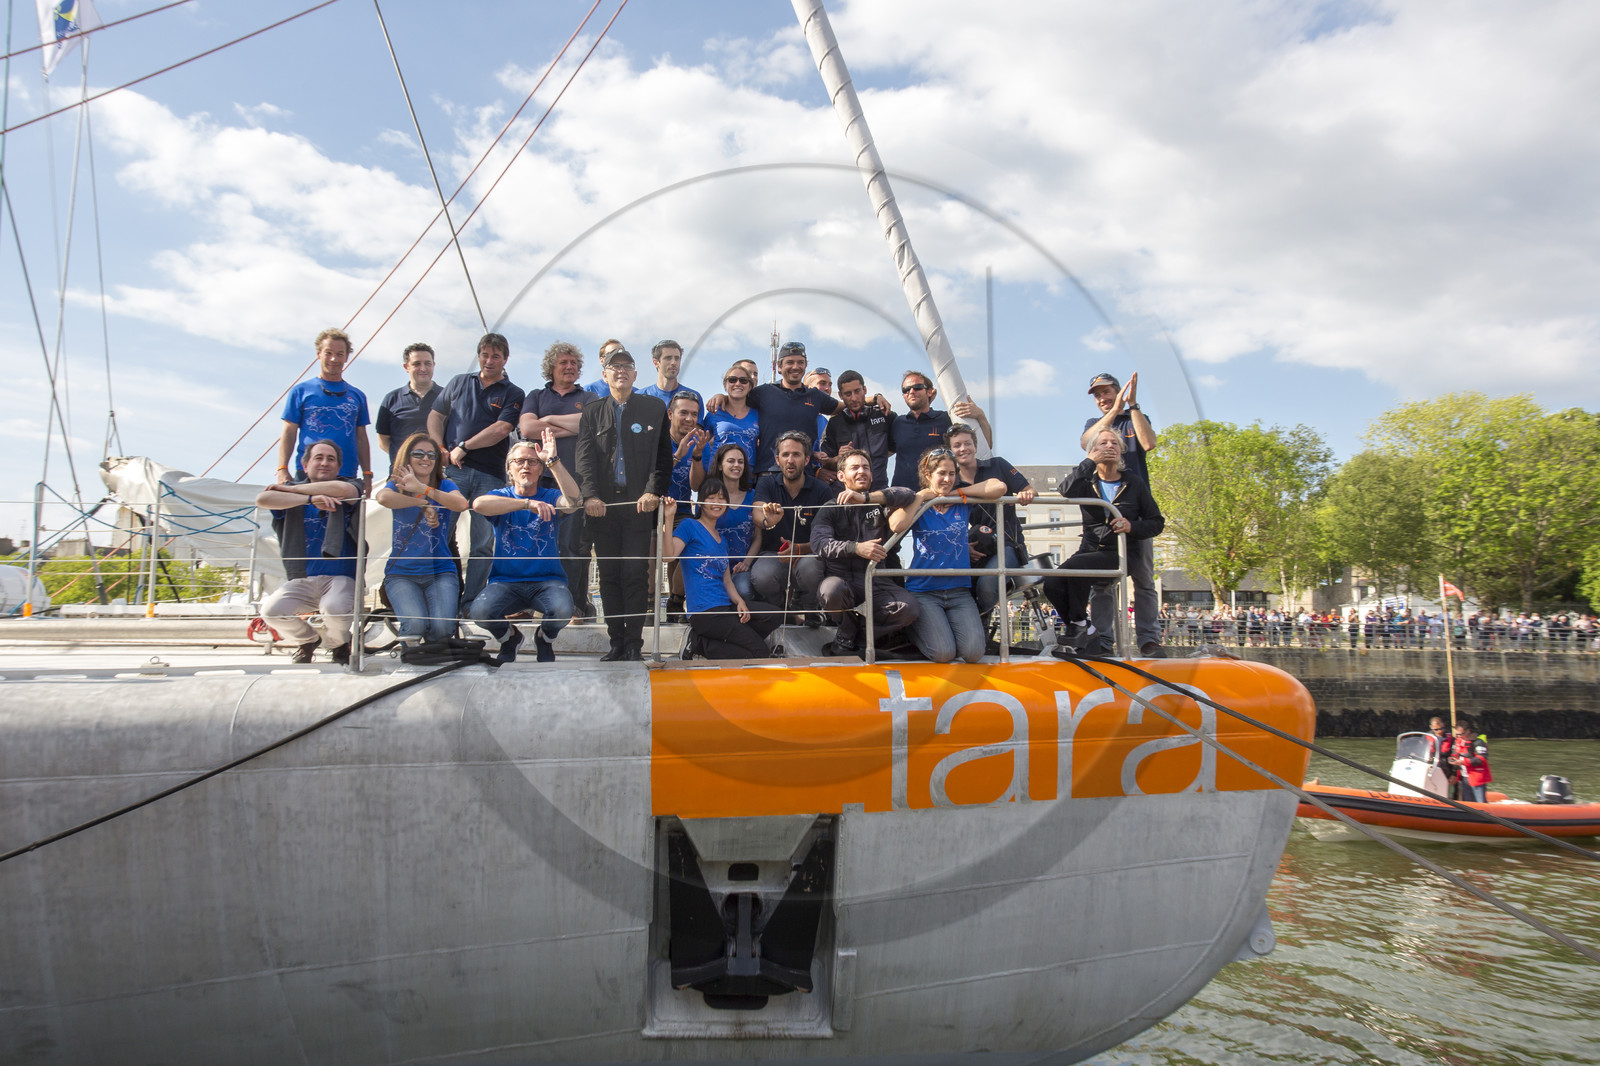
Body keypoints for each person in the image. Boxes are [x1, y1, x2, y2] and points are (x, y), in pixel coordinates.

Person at [574, 347, 672, 661]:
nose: (621, 372)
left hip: (638, 506)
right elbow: (585, 459)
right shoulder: (592, 411)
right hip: (602, 507)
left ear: (635, 374)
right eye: (614, 367)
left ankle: (634, 644)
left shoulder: (654, 408)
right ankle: (616, 642)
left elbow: (662, 458)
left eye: (627, 366)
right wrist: (589, 496)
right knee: (609, 574)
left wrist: (652, 491)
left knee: (634, 573)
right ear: (605, 375)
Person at [1043, 429, 1165, 658]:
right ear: (1092, 451)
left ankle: (1083, 628)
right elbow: (1064, 490)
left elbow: (1157, 522)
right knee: (1052, 582)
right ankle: (1082, 625)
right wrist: (1090, 461)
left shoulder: (1134, 483)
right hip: (1089, 550)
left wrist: (1132, 526)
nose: (1109, 446)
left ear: (1121, 452)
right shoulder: (1086, 481)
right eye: (1102, 444)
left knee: (1078, 568)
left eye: (1114, 444)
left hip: (1121, 553)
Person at [466, 432, 583, 663]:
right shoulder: (501, 496)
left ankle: (544, 638)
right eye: (519, 461)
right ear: (509, 469)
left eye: (533, 462)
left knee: (563, 609)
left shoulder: (550, 496)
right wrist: (527, 504)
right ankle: (510, 638)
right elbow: (479, 504)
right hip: (505, 582)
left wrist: (554, 462)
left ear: (541, 469)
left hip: (547, 582)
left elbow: (574, 502)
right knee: (479, 612)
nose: (526, 466)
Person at [427, 332, 526, 605]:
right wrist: (440, 449)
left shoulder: (513, 393)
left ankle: (470, 602)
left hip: (490, 475)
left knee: (482, 543)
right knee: (441, 535)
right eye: (485, 355)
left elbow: (502, 429)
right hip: (452, 473)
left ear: (505, 359)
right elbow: (436, 415)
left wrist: (464, 446)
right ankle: (443, 597)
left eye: (496, 356)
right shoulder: (459, 382)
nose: (489, 360)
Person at [888, 448, 1009, 663]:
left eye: (952, 474)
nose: (947, 479)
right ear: (928, 475)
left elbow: (999, 487)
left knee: (973, 653)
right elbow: (896, 525)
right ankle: (912, 630)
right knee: (944, 654)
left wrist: (955, 494)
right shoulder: (920, 503)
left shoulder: (960, 500)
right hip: (924, 591)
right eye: (941, 473)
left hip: (958, 591)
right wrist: (922, 497)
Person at [256, 439, 361, 664]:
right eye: (318, 458)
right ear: (305, 466)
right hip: (303, 578)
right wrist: (310, 499)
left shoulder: (351, 487)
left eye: (330, 459)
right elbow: (262, 499)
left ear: (338, 467)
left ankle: (339, 643)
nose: (325, 463)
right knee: (271, 611)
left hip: (341, 578)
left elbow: (341, 489)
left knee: (333, 608)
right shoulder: (292, 497)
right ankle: (308, 640)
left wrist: (289, 488)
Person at [1080, 371, 1162, 656]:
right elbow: (1085, 443)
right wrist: (1114, 410)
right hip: (1104, 513)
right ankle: (1103, 640)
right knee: (1101, 583)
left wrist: (1133, 405)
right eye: (1098, 395)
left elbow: (1149, 443)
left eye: (1107, 392)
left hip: (1135, 507)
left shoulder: (1134, 418)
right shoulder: (1095, 425)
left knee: (1143, 580)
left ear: (1119, 390)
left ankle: (1149, 640)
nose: (1103, 398)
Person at [811, 447, 920, 655]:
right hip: (840, 579)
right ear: (841, 476)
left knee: (909, 609)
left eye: (866, 467)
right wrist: (856, 548)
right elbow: (819, 544)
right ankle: (845, 632)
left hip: (876, 580)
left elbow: (908, 494)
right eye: (855, 468)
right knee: (830, 590)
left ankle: (860, 638)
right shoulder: (830, 508)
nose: (861, 471)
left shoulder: (881, 505)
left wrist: (866, 499)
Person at [518, 341, 599, 618]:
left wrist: (549, 420)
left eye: (574, 363)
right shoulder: (536, 395)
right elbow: (527, 427)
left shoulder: (588, 398)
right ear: (551, 367)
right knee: (534, 542)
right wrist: (568, 425)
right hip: (540, 485)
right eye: (564, 362)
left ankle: (574, 603)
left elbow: (589, 424)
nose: (570, 367)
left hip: (574, 483)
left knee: (572, 546)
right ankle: (529, 603)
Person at [662, 482, 785, 660]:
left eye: (721, 498)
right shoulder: (690, 526)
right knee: (759, 652)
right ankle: (700, 644)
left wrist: (740, 602)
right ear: (700, 503)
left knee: (773, 616)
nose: (717, 502)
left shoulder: (722, 540)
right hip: (705, 612)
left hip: (725, 606)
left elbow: (727, 581)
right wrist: (668, 517)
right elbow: (668, 556)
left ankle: (718, 642)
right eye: (711, 498)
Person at [373, 432, 468, 642]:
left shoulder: (445, 485)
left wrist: (423, 489)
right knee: (415, 625)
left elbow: (461, 504)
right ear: (407, 457)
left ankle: (430, 655)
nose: (426, 459)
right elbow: (383, 497)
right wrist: (422, 503)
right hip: (402, 573)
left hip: (440, 571)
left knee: (443, 629)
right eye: (418, 454)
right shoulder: (397, 484)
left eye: (431, 455)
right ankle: (415, 656)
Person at [706, 341, 845, 475]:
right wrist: (722, 396)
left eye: (800, 362)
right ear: (779, 366)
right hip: (768, 474)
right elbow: (738, 396)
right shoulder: (763, 392)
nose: (795, 366)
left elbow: (844, 406)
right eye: (790, 362)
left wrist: (866, 400)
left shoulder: (815, 396)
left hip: (803, 474)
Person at [944, 422, 1034, 616]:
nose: (963, 449)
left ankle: (984, 632)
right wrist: (964, 547)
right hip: (980, 547)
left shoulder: (997, 465)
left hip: (1009, 546)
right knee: (957, 585)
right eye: (957, 445)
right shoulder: (951, 481)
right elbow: (950, 524)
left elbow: (1027, 489)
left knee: (986, 584)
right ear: (951, 451)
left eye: (967, 443)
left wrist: (1027, 494)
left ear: (975, 447)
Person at [749, 430, 835, 618]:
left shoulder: (821, 490)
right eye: (785, 455)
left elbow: (827, 538)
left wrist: (799, 549)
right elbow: (757, 510)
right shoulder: (766, 484)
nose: (790, 460)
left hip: (809, 554)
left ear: (806, 460)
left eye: (796, 455)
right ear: (777, 459)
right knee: (761, 576)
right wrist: (767, 520)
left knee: (811, 569)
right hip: (773, 554)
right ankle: (778, 610)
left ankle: (808, 606)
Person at [278, 328, 372, 492]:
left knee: (344, 518)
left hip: (346, 474)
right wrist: (282, 469)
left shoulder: (358, 396)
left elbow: (361, 437)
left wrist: (367, 474)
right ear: (318, 354)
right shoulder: (300, 391)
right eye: (328, 353)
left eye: (340, 354)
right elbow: (288, 432)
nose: (334, 359)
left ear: (346, 357)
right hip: (309, 473)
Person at [887, 371, 994, 489]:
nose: (911, 392)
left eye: (917, 387)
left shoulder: (946, 419)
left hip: (938, 497)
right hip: (902, 496)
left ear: (929, 392)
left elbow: (986, 444)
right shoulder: (898, 423)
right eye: (906, 390)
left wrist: (981, 416)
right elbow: (884, 453)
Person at [694, 442, 764, 601]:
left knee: (743, 592)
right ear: (720, 465)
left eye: (740, 462)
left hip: (741, 568)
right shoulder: (709, 498)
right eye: (731, 461)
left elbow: (758, 537)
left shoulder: (754, 496)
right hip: (713, 566)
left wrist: (746, 563)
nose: (736, 465)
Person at [662, 393, 710, 619]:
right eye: (684, 413)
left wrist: (697, 456)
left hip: (680, 510)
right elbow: (650, 479)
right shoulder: (657, 440)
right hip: (650, 508)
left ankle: (675, 601)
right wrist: (677, 455)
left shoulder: (699, 442)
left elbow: (696, 485)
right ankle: (649, 606)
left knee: (691, 540)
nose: (689, 419)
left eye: (694, 414)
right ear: (671, 414)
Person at [821, 369, 894, 488]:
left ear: (864, 390)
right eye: (848, 394)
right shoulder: (834, 424)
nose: (854, 398)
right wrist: (838, 458)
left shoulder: (885, 415)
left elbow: (897, 447)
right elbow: (825, 463)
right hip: (846, 495)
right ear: (840, 395)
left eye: (857, 391)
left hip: (879, 492)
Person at [375, 342, 442, 459]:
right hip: (400, 473)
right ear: (406, 367)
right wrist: (404, 459)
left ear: (434, 365)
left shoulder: (448, 397)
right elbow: (383, 440)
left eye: (427, 363)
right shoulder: (391, 399)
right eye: (417, 364)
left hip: (435, 471)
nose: (423, 368)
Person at [702, 364, 760, 471]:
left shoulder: (758, 414)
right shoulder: (714, 412)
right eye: (732, 380)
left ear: (750, 386)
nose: (738, 384)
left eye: (743, 380)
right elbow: (701, 443)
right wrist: (707, 467)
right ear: (725, 385)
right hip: (718, 476)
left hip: (747, 477)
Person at [638, 339, 704, 412]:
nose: (673, 362)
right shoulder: (640, 397)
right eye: (668, 358)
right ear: (656, 363)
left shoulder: (694, 397)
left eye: (677, 358)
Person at [1450, 722, 1493, 803]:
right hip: (1464, 777)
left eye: (1461, 734)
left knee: (1480, 802)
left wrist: (1464, 762)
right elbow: (1454, 754)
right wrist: (1453, 767)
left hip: (1476, 777)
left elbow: (1482, 759)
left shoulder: (1478, 742)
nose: (1459, 736)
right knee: (1468, 803)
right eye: (1457, 734)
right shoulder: (1457, 742)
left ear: (1468, 731)